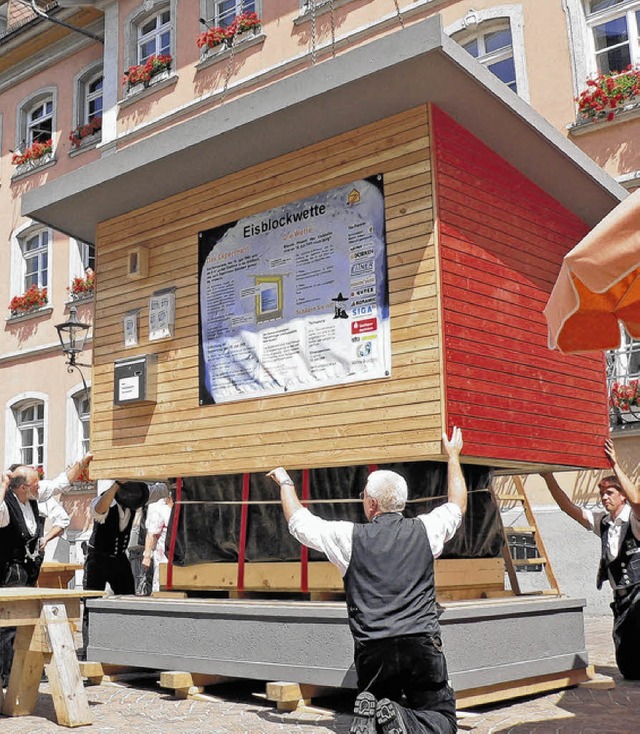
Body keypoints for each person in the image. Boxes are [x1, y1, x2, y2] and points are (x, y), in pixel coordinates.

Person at [268, 427, 466, 734]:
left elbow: (300, 523)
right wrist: (453, 456)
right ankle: (400, 718)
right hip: (421, 641)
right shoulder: (426, 529)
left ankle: (375, 715)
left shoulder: (349, 538)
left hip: (373, 647)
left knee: (378, 698)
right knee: (441, 715)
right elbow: (457, 505)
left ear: (370, 503)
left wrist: (285, 481)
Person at [540, 438, 640, 680]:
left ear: (622, 496)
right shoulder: (603, 522)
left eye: (610, 493)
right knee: (628, 666)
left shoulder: (635, 520)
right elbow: (568, 508)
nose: (605, 498)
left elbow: (637, 500)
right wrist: (548, 477)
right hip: (621, 601)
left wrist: (615, 464)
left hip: (639, 596)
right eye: (602, 493)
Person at [81, 479, 169, 657]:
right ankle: (88, 650)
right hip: (98, 558)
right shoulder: (105, 501)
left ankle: (127, 646)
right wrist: (115, 486)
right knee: (91, 602)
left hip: (120, 557)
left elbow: (162, 489)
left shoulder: (134, 495)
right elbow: (98, 511)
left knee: (128, 597)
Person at [142, 491, 175, 593]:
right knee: (160, 583)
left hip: (178, 557)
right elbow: (151, 534)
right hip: (163, 556)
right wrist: (147, 556)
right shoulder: (159, 509)